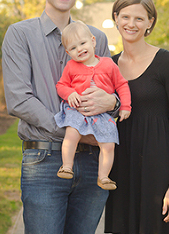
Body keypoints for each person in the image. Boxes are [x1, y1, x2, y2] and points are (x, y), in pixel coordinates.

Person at [2, 0, 119, 234]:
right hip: (44, 160)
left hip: (94, 164)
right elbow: (19, 99)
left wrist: (113, 103)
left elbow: (112, 90)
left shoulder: (96, 37)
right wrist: (77, 133)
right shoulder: (19, 34)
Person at [103, 0, 169, 234]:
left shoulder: (167, 62)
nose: (131, 23)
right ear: (116, 19)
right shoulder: (108, 67)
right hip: (123, 173)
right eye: (125, 16)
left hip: (158, 172)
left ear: (150, 22)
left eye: (139, 17)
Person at [54, 20, 131, 191]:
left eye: (82, 43)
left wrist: (125, 106)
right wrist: (70, 93)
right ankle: (67, 166)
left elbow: (122, 85)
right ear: (68, 52)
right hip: (77, 109)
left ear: (93, 41)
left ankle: (103, 177)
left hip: (101, 114)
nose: (79, 49)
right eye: (73, 48)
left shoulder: (108, 64)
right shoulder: (71, 66)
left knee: (108, 143)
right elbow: (61, 85)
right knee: (71, 134)